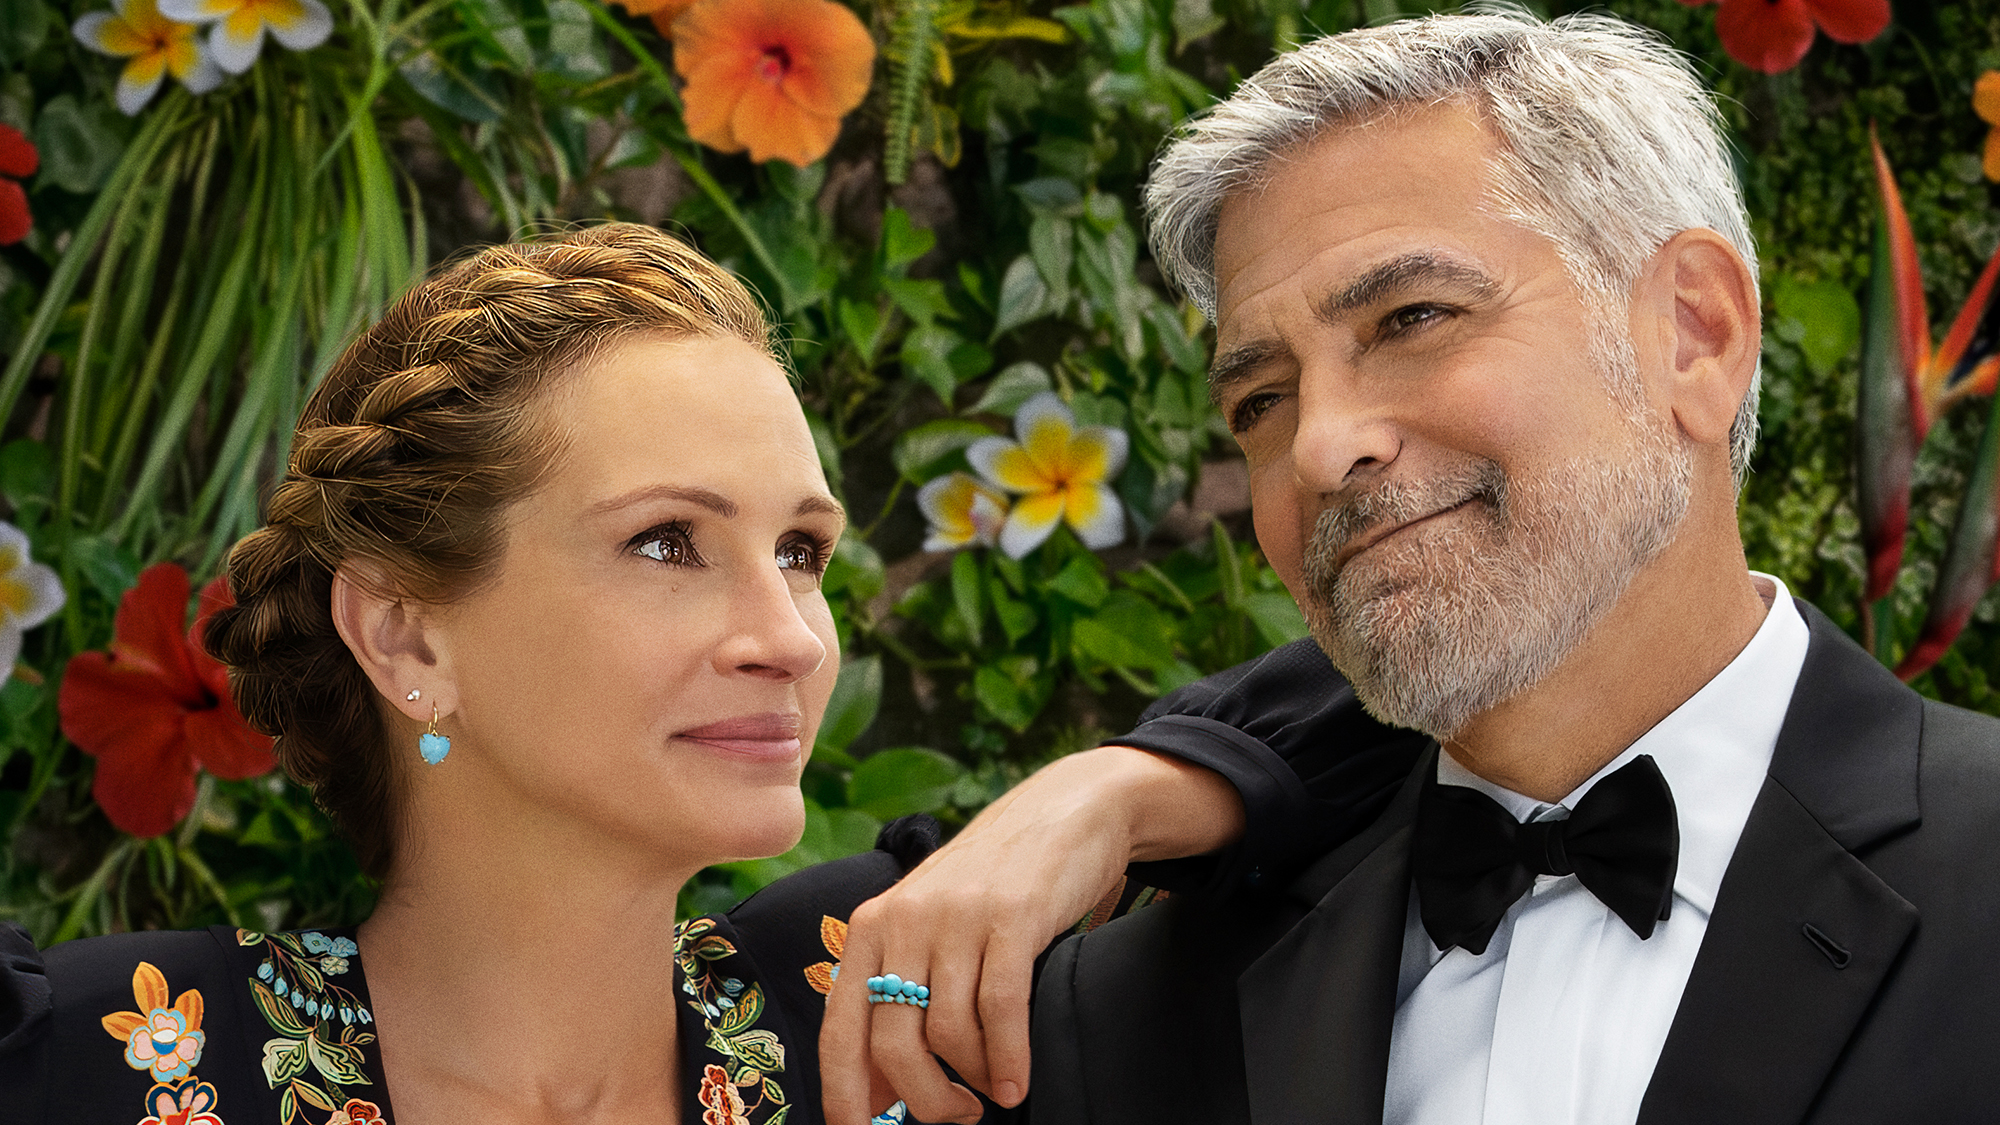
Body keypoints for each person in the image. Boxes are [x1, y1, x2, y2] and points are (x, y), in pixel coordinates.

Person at [0, 224, 1417, 1125]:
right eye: (669, 542)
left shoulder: (887, 1014)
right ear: (409, 639)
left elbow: (1445, 693)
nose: (790, 637)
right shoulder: (102, 1058)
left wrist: (1097, 800)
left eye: (802, 551)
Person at [1027, 10, 2000, 1125]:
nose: (1315, 446)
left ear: (1692, 334)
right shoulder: (1125, 1013)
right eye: (1260, 400)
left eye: (1412, 318)